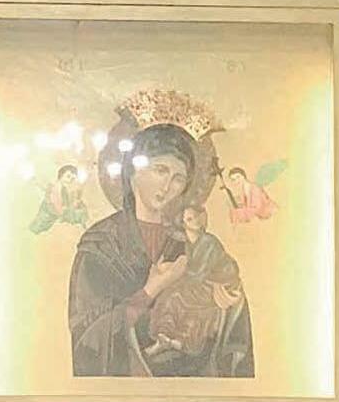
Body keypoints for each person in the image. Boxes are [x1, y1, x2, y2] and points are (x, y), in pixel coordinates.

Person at [67, 123, 253, 378]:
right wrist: (151, 290)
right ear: (134, 172)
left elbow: (231, 315)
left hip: (194, 388)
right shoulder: (101, 245)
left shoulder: (193, 240)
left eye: (179, 178)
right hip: (124, 393)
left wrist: (227, 300)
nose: (167, 186)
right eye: (160, 170)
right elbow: (86, 339)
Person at [144, 204, 254, 376]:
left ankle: (182, 341)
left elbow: (199, 272)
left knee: (179, 296)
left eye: (196, 217)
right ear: (183, 224)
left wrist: (175, 272)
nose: (194, 221)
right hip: (200, 282)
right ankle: (163, 337)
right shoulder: (190, 243)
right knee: (169, 294)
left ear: (203, 219)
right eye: (189, 219)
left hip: (218, 283)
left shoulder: (209, 242)